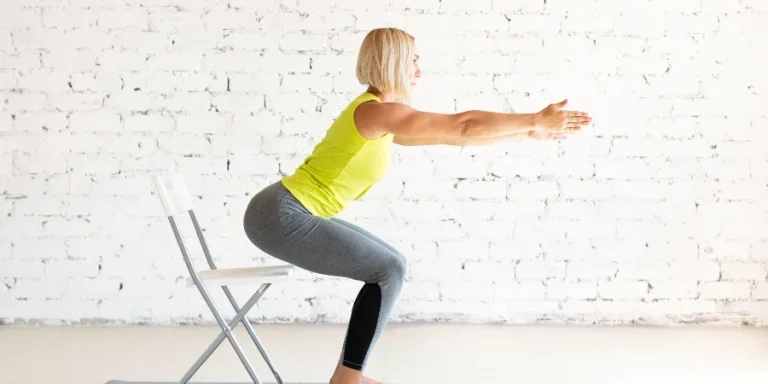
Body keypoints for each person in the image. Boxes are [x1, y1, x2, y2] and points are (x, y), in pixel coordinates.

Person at [243, 27, 592, 384]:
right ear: (393, 62)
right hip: (280, 215)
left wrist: (528, 134)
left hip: (286, 211)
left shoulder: (381, 117)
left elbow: (453, 136)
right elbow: (463, 125)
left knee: (392, 265)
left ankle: (348, 378)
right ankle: (347, 380)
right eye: (413, 60)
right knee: (388, 269)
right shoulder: (375, 112)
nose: (419, 70)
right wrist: (534, 118)